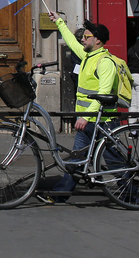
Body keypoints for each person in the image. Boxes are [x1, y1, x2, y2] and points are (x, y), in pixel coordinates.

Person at [42, 14, 121, 203]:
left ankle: (132, 196)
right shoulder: (87, 55)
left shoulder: (105, 62)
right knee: (77, 160)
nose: (82, 40)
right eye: (83, 37)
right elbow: (70, 41)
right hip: (88, 121)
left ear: (98, 40)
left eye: (86, 37)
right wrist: (59, 22)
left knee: (114, 162)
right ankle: (60, 195)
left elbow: (103, 95)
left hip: (103, 121)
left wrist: (85, 117)